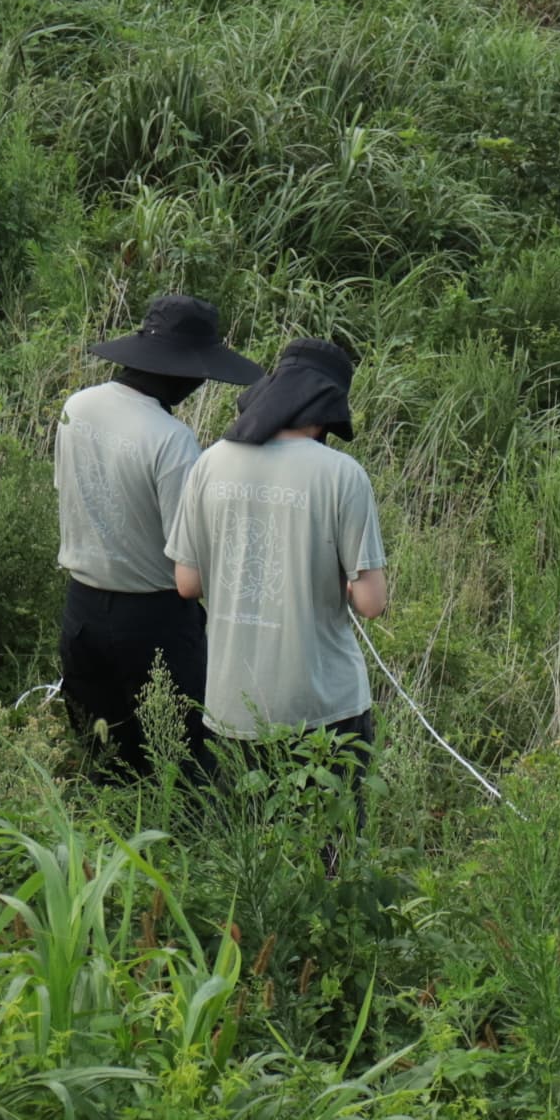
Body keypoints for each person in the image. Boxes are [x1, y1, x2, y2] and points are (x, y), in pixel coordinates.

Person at [166, 338, 389, 832]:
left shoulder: (211, 463)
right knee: (329, 848)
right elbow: (371, 602)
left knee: (247, 847)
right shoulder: (342, 475)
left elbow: (187, 582)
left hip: (232, 705)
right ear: (329, 409)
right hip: (323, 708)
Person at [52, 294, 263, 775]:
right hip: (155, 620)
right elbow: (189, 551)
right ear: (181, 372)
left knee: (103, 758)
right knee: (181, 761)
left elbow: (69, 491)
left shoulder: (77, 406)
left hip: (81, 610)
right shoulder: (170, 438)